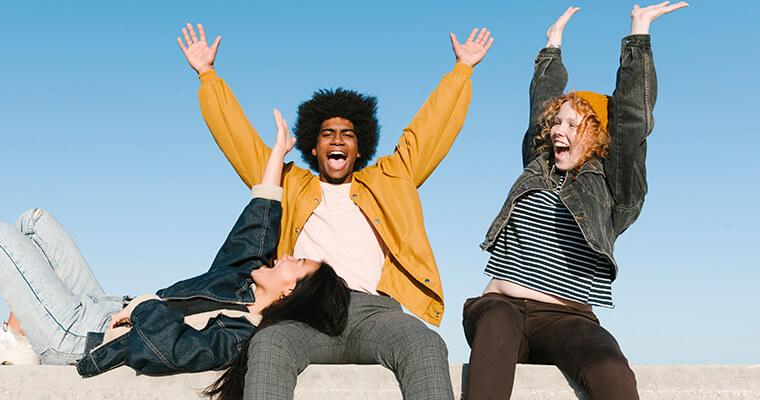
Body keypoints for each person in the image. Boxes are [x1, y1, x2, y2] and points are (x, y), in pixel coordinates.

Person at [0, 110, 351, 376]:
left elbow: (172, 352)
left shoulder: (241, 336)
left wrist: (143, 311)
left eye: (298, 263)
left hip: (81, 338)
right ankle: (17, 339)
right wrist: (276, 155)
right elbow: (257, 228)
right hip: (101, 305)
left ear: (290, 292)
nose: (286, 254)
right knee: (34, 220)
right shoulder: (241, 287)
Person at [179, 23, 492, 399]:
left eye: (347, 134)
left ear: (360, 149)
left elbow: (428, 132)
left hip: (375, 311)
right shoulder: (291, 183)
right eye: (327, 134)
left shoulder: (391, 177)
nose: (338, 140)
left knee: (424, 342)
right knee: (268, 344)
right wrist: (208, 76)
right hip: (306, 309)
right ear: (314, 148)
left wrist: (462, 70)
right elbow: (241, 143)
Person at [461, 3, 687, 399]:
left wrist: (638, 34)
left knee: (613, 371)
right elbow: (539, 109)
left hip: (568, 318)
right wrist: (552, 46)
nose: (556, 131)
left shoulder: (612, 189)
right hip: (501, 307)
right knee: (496, 322)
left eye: (570, 124)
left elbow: (632, 120)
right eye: (556, 122)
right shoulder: (539, 166)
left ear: (597, 136)